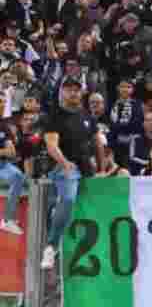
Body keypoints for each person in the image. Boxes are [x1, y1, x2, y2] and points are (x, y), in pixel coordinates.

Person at [41, 76, 102, 270]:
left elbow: (98, 143)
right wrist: (64, 162)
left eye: (76, 89)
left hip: (87, 169)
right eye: (68, 89)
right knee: (67, 199)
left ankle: (93, 249)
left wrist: (101, 169)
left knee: (95, 205)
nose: (73, 92)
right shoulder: (54, 116)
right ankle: (50, 247)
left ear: (81, 92)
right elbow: (51, 145)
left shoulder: (87, 117)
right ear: (62, 92)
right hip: (65, 168)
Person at [0, 117, 25, 234]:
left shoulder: (3, 125)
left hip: (2, 163)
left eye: (4, 102)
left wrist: (6, 151)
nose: (2, 105)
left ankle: (7, 220)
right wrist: (4, 151)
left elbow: (11, 152)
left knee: (17, 176)